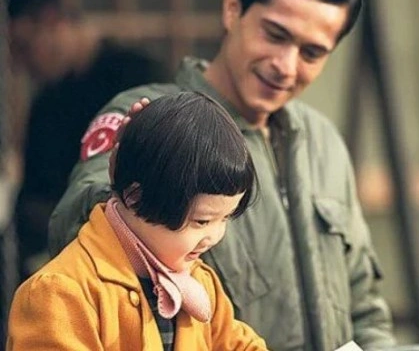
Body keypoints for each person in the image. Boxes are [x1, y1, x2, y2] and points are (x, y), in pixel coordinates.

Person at [48, 0, 395, 350]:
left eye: (312, 52)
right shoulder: (147, 117)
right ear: (233, 8)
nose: (285, 65)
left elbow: (365, 305)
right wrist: (120, 188)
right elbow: (72, 236)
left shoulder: (325, 143)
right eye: (275, 34)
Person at [7, 92, 267, 350]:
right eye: (202, 221)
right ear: (135, 196)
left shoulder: (199, 281)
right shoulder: (61, 292)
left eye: (225, 218)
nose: (215, 236)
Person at [3, 0, 168, 278]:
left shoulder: (140, 77)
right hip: (65, 258)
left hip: (138, 249)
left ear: (50, 20)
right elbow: (32, 201)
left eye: (23, 47)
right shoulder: (46, 105)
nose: (21, 64)